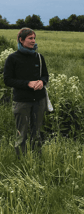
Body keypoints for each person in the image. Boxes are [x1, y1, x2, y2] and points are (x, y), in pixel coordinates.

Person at [4, 28, 49, 156]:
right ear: (21, 40)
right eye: (30, 38)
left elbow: (45, 75)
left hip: (39, 100)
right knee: (21, 133)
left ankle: (37, 159)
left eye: (34, 38)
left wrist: (42, 82)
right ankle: (21, 161)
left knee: (37, 132)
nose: (33, 41)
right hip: (21, 101)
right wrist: (27, 83)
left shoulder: (39, 57)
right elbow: (7, 80)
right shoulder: (12, 58)